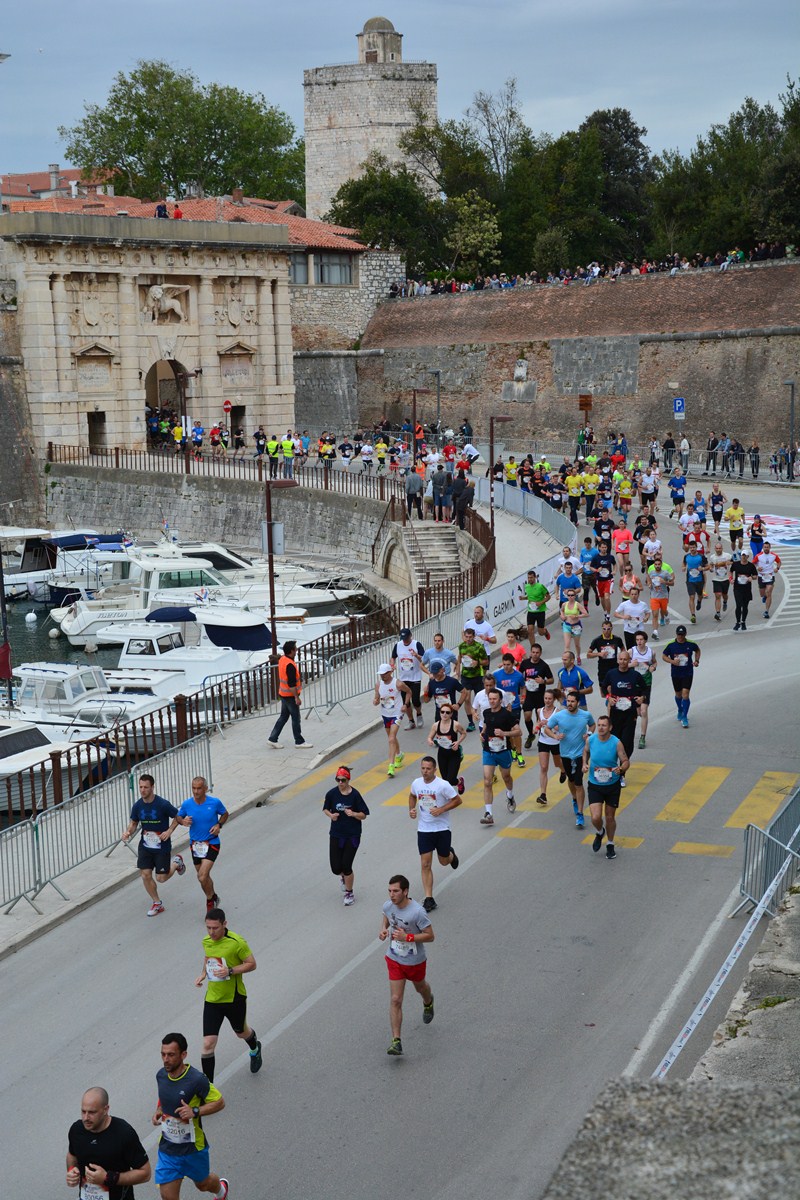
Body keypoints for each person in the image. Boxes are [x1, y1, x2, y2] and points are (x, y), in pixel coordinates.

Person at [152, 1032, 228, 1200]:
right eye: (163, 1054)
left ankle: (221, 1190)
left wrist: (195, 1111)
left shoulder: (196, 1080)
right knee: (168, 1196)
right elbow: (165, 1096)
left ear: (183, 1055)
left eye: (171, 1055)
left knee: (203, 1184)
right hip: (168, 1148)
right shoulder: (161, 1075)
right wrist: (159, 1110)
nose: (166, 1059)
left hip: (193, 1148)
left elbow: (219, 1102)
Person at [196, 908, 261, 1081]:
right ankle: (208, 1089)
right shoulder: (206, 940)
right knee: (208, 1044)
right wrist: (203, 973)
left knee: (241, 1032)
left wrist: (230, 970)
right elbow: (208, 957)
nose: (211, 932)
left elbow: (252, 964)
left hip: (234, 998)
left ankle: (255, 1048)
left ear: (225, 924)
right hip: (213, 999)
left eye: (215, 928)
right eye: (208, 928)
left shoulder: (237, 942)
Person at [379, 874, 435, 1056]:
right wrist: (384, 929)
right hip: (394, 958)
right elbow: (386, 915)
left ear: (405, 891)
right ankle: (396, 1041)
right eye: (389, 891)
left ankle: (428, 1001)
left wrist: (407, 937)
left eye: (395, 891)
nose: (391, 895)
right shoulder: (388, 906)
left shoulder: (417, 912)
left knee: (421, 988)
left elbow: (430, 936)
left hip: (415, 961)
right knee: (396, 999)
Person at [67, 1087, 151, 1199]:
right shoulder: (76, 1130)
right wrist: (72, 1170)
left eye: (92, 1112)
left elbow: (145, 1173)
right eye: (83, 1111)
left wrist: (109, 1178)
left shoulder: (123, 1133)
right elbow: (72, 1155)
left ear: (106, 1109)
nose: (86, 1118)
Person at [122, 773, 186, 917]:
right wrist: (128, 832)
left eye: (145, 787)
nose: (142, 790)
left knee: (161, 878)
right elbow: (133, 823)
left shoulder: (162, 804)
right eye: (140, 787)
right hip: (145, 844)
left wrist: (169, 831)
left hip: (161, 845)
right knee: (145, 875)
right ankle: (157, 903)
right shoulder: (138, 806)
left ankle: (176, 863)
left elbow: (178, 816)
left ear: (152, 787)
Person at [409, 756, 461, 912]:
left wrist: (441, 809)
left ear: (434, 769)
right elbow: (412, 795)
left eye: (428, 769)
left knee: (443, 861)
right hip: (424, 830)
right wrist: (411, 809)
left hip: (442, 829)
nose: (425, 771)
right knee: (425, 864)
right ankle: (429, 898)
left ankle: (450, 855)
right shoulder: (416, 783)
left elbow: (457, 800)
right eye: (423, 768)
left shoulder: (442, 785)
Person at [169, 778, 227, 913]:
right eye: (193, 788)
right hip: (195, 846)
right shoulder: (187, 804)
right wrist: (182, 821)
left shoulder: (214, 803)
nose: (196, 791)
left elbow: (224, 814)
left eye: (199, 788)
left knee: (201, 876)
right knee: (204, 878)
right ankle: (213, 897)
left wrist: (219, 824)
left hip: (212, 843)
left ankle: (209, 903)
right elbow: (178, 817)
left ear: (205, 789)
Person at [545, 691, 596, 828]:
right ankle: (574, 798)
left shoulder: (585, 715)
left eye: (573, 701)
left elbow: (592, 725)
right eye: (568, 701)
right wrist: (555, 737)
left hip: (581, 754)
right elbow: (547, 729)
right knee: (571, 780)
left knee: (578, 783)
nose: (570, 704)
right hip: (565, 754)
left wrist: (589, 734)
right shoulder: (559, 716)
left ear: (578, 703)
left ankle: (580, 813)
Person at [584, 715, 630, 861]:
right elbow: (585, 751)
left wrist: (621, 769)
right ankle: (600, 831)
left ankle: (610, 844)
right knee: (596, 817)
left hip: (612, 785)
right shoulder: (591, 740)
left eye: (604, 725)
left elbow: (625, 761)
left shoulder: (616, 743)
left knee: (610, 817)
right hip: (595, 784)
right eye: (599, 725)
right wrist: (584, 763)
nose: (601, 728)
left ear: (610, 728)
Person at [323, 766, 370, 906]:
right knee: (336, 868)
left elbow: (364, 814)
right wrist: (331, 815)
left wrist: (354, 814)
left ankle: (349, 892)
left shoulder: (355, 795)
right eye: (338, 780)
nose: (340, 783)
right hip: (336, 834)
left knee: (346, 865)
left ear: (348, 780)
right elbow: (325, 808)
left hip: (352, 835)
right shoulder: (331, 794)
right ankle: (343, 877)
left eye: (343, 780)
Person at [479, 688, 519, 824]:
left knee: (506, 777)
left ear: (500, 700)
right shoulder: (486, 712)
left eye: (494, 699)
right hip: (489, 751)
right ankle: (489, 814)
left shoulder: (507, 715)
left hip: (503, 751)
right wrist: (483, 733)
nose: (492, 701)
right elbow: (486, 724)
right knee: (487, 781)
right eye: (490, 699)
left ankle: (510, 795)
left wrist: (504, 733)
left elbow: (518, 732)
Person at [604, 648, 645, 774]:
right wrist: (609, 697)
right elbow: (604, 688)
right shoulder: (611, 674)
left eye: (625, 659)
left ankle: (622, 771)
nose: (622, 662)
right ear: (617, 660)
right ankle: (613, 767)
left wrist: (642, 698)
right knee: (614, 741)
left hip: (630, 714)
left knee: (627, 743)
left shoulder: (635, 675)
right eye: (620, 659)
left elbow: (645, 688)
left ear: (629, 661)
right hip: (615, 714)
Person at [268, 640, 313, 749]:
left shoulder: (283, 659)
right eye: (295, 648)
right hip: (290, 696)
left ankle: (273, 739)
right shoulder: (290, 665)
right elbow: (292, 684)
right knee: (296, 718)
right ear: (292, 651)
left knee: (283, 717)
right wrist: (296, 697)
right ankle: (299, 741)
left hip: (283, 694)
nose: (297, 650)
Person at [374, 663, 410, 777]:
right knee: (391, 737)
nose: (382, 676)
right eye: (381, 674)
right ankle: (399, 754)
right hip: (385, 714)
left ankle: (391, 765)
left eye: (384, 674)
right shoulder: (378, 685)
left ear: (390, 673)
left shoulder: (398, 683)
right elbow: (376, 698)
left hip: (397, 713)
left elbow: (409, 692)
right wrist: (375, 701)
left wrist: (405, 704)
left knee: (391, 738)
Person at [662, 624, 701, 727]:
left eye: (682, 635)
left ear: (685, 634)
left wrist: (697, 660)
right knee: (678, 694)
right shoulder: (671, 645)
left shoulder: (690, 644)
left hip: (688, 673)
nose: (680, 637)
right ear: (676, 634)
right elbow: (663, 656)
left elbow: (697, 650)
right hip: (676, 674)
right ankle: (680, 709)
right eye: (679, 635)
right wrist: (672, 661)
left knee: (685, 694)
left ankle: (684, 716)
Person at [427, 698, 467, 793]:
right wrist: (430, 741)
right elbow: (429, 737)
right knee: (445, 780)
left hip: (454, 753)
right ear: (440, 713)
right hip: (442, 754)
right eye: (442, 712)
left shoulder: (456, 725)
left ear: (451, 714)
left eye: (447, 712)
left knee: (450, 779)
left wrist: (458, 742)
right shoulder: (436, 725)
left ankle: (459, 781)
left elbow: (464, 733)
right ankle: (454, 788)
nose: (444, 714)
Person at [519, 642, 554, 747]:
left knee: (539, 718)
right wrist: (521, 691)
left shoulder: (544, 665)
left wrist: (543, 681)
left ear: (540, 653)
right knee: (527, 716)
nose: (535, 654)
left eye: (537, 653)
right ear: (530, 652)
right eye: (533, 652)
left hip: (540, 695)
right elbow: (519, 675)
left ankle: (541, 737)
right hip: (528, 694)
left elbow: (551, 680)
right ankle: (530, 735)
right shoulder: (525, 663)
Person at [455, 627, 490, 731]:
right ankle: (471, 722)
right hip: (466, 676)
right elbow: (460, 657)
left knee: (480, 699)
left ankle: (483, 719)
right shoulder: (461, 646)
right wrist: (457, 669)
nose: (468, 639)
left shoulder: (479, 647)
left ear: (474, 637)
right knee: (466, 698)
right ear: (464, 636)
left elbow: (486, 661)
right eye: (467, 637)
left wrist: (477, 663)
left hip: (477, 676)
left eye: (470, 637)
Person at [533, 687, 563, 806]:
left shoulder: (558, 712)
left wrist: (550, 726)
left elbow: (561, 728)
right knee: (544, 767)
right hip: (543, 741)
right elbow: (538, 724)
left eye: (550, 699)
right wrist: (537, 727)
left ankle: (563, 770)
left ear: (554, 699)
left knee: (557, 764)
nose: (547, 701)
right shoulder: (539, 710)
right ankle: (543, 794)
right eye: (545, 698)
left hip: (555, 742)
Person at [391, 628, 426, 729]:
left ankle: (419, 714)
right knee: (405, 702)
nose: (405, 640)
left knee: (415, 700)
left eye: (406, 638)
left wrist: (416, 655)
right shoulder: (398, 645)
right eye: (403, 638)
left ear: (411, 635)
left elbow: (424, 658)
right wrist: (392, 664)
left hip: (415, 677)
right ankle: (411, 721)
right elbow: (393, 657)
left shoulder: (416, 644)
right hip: (403, 678)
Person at [630, 631, 656, 748]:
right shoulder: (631, 651)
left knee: (644, 711)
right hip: (634, 684)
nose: (639, 642)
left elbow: (654, 662)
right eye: (637, 640)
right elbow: (619, 662)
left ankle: (642, 737)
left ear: (645, 640)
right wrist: (631, 665)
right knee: (638, 712)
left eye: (641, 640)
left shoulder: (651, 652)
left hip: (646, 683)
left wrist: (653, 667)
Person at [586, 618, 625, 698]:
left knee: (615, 690)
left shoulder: (617, 639)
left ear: (611, 629)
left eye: (608, 629)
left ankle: (612, 704)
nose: (606, 631)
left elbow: (623, 650)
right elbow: (588, 654)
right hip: (603, 668)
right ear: (602, 629)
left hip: (615, 667)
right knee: (603, 694)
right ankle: (609, 701)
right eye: (604, 629)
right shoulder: (597, 640)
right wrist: (599, 654)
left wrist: (621, 658)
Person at [520, 568, 552, 645]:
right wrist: (523, 598)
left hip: (540, 611)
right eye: (528, 577)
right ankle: (533, 647)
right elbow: (530, 597)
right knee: (530, 630)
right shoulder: (527, 586)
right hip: (531, 611)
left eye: (531, 577)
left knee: (540, 632)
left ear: (535, 577)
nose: (529, 579)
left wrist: (541, 602)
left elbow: (548, 597)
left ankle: (545, 631)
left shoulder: (540, 586)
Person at [731, 548, 758, 631]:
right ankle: (737, 622)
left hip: (746, 589)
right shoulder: (736, 564)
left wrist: (751, 577)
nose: (743, 557)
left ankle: (743, 622)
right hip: (737, 588)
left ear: (748, 556)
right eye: (742, 555)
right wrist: (731, 578)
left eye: (745, 555)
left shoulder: (751, 566)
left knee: (745, 606)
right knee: (738, 605)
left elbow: (755, 576)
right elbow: (731, 571)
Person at [683, 539, 708, 624]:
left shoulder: (701, 557)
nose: (692, 549)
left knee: (699, 595)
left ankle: (699, 601)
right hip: (690, 580)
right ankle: (693, 615)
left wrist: (703, 568)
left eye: (693, 547)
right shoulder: (686, 557)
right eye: (690, 548)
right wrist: (683, 567)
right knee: (691, 597)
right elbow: (683, 564)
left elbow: (708, 567)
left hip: (700, 580)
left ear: (696, 547)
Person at [560, 588, 588, 662]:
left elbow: (586, 614)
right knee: (567, 645)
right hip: (566, 626)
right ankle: (567, 660)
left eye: (572, 595)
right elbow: (561, 611)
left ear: (575, 596)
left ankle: (578, 656)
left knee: (577, 645)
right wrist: (562, 616)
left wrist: (577, 616)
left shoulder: (577, 605)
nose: (570, 597)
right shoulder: (564, 604)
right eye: (569, 595)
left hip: (576, 626)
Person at [755, 541, 781, 620]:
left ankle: (766, 611)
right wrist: (757, 567)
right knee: (762, 594)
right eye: (765, 547)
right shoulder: (758, 556)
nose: (766, 548)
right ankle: (764, 596)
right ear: (763, 548)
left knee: (768, 592)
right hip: (761, 576)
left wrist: (777, 568)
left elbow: (779, 562)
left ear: (770, 548)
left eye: (767, 547)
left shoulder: (773, 555)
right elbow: (753, 563)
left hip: (770, 576)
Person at [707, 540, 732, 621]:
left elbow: (733, 562)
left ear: (722, 548)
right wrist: (711, 569)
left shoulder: (727, 555)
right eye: (717, 548)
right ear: (715, 549)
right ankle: (718, 613)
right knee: (718, 595)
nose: (718, 550)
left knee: (724, 595)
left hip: (725, 579)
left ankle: (725, 601)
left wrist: (728, 563)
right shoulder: (712, 557)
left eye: (719, 548)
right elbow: (710, 566)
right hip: (716, 579)